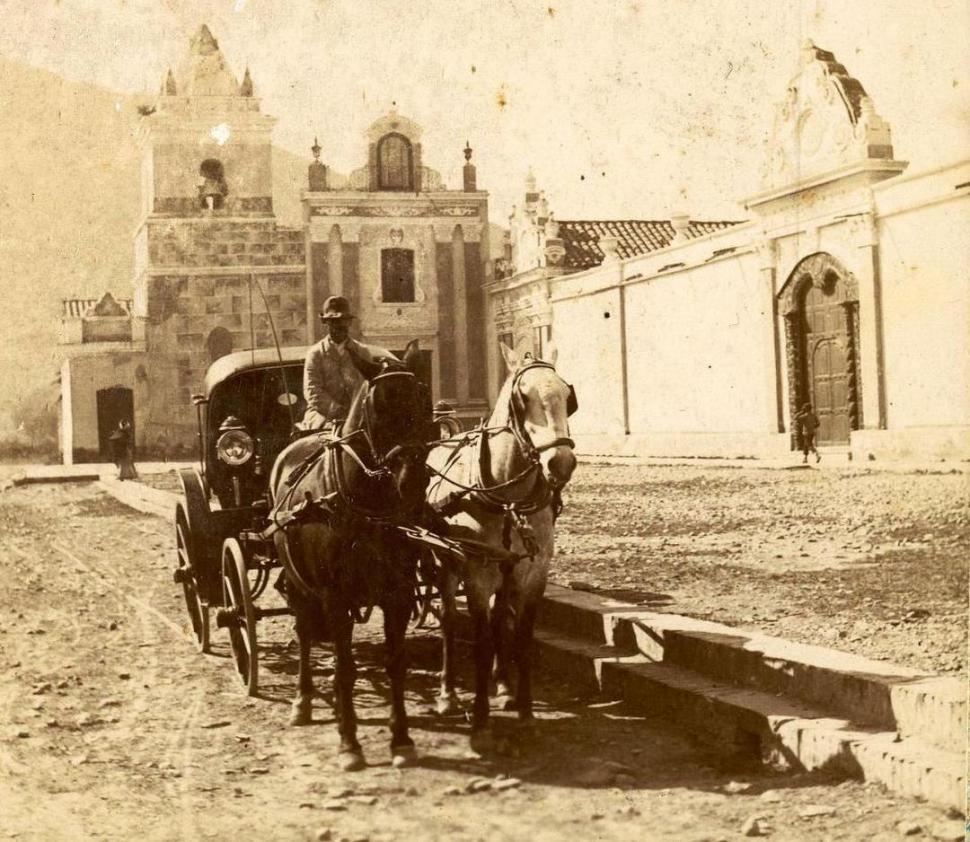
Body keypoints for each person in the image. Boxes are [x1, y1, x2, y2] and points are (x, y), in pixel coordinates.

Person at [300, 296, 386, 431]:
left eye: (344, 321)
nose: (340, 325)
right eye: (334, 321)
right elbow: (313, 391)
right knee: (328, 439)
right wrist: (338, 411)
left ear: (349, 323)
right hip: (322, 415)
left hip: (359, 416)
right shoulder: (315, 354)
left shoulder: (362, 352)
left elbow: (370, 386)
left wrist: (356, 413)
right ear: (326, 323)